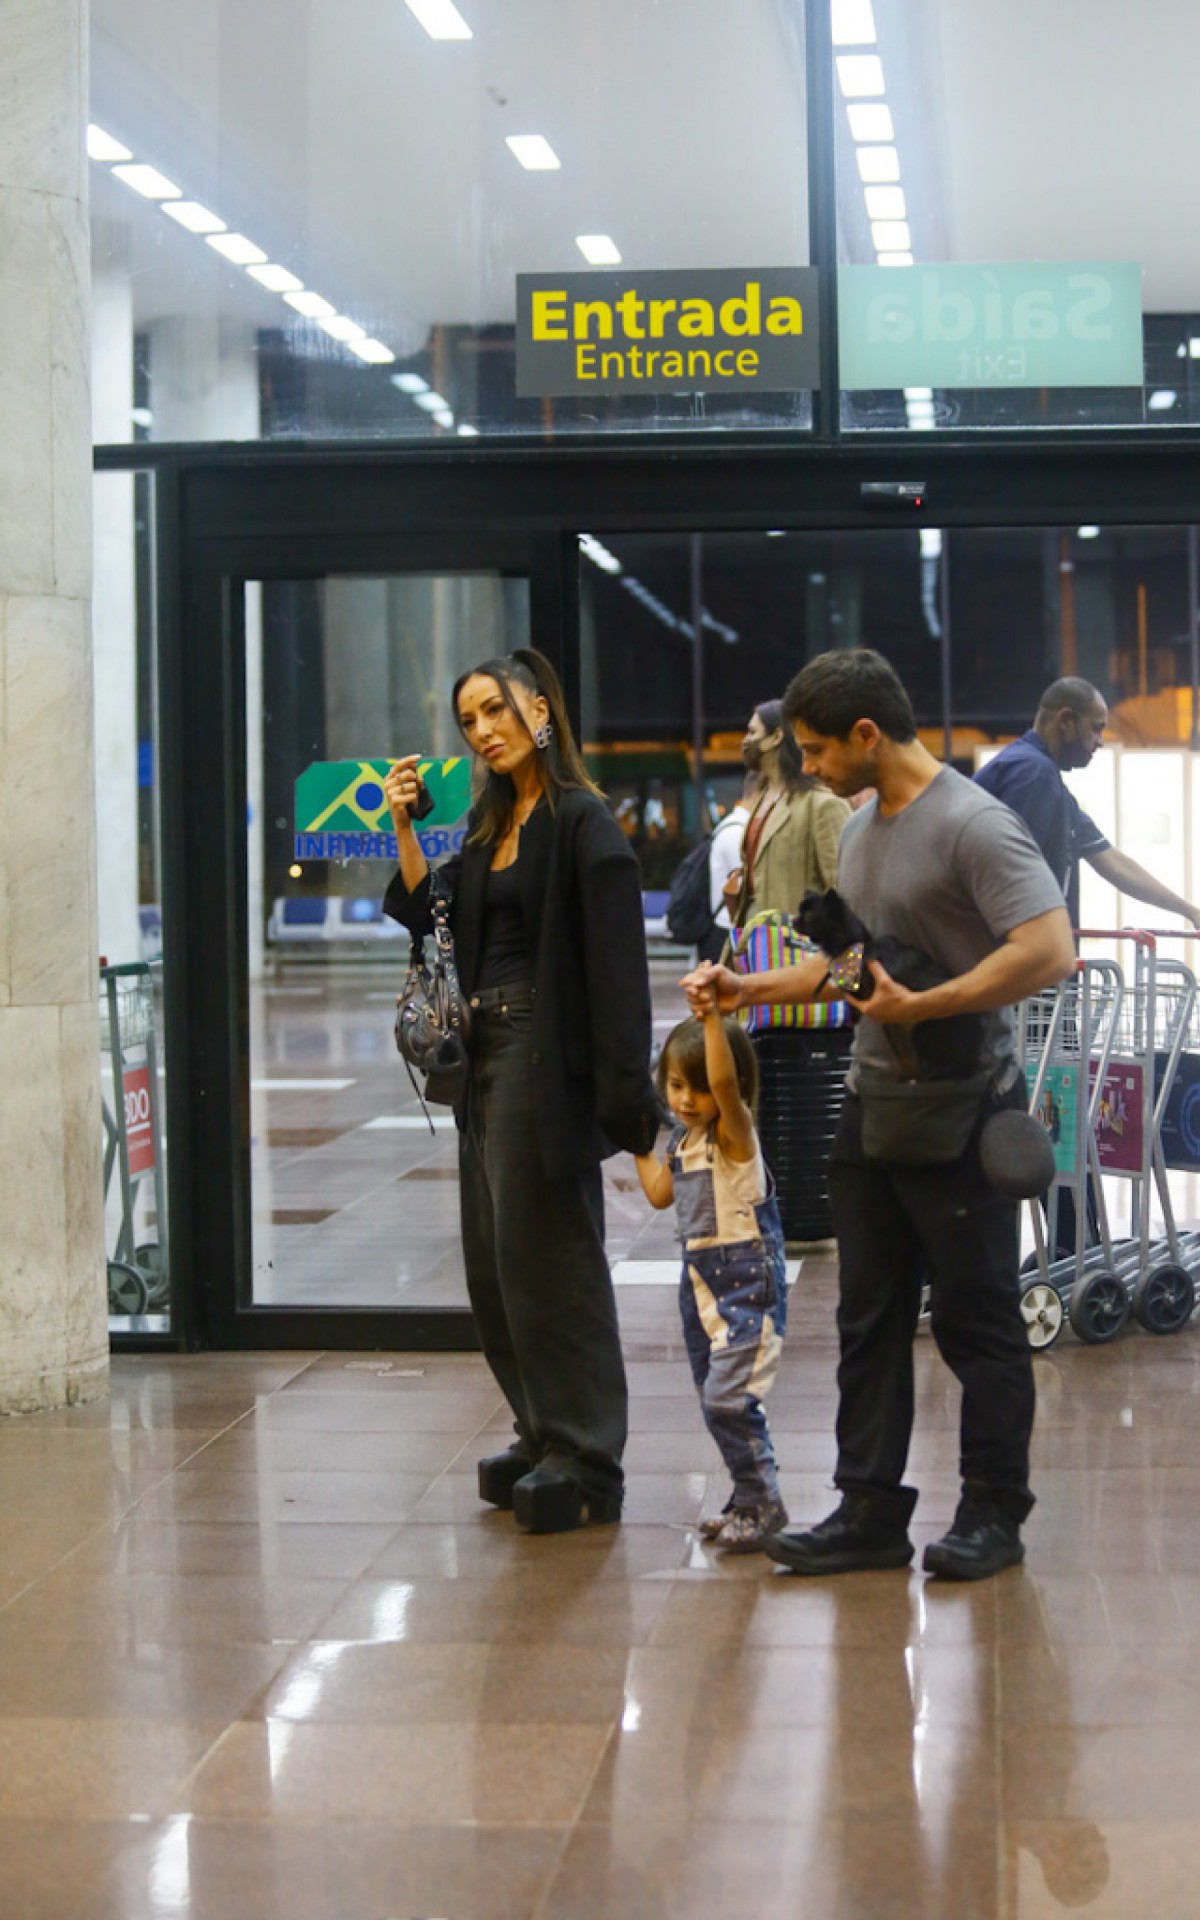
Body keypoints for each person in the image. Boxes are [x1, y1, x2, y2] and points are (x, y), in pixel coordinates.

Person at [684, 648, 1075, 1582]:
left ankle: (993, 1512)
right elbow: (850, 968)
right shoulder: (859, 829)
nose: (808, 766)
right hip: (873, 1110)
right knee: (868, 1319)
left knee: (977, 1323)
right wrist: (750, 987)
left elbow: (1050, 948)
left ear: (867, 734)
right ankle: (868, 1508)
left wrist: (924, 1009)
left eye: (816, 750)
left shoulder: (976, 825)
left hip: (964, 1109)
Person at [383, 648, 659, 1535]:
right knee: (497, 1263)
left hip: (544, 1057)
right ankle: (542, 1432)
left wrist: (630, 1111)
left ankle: (588, 1458)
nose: (482, 731)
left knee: (554, 1262)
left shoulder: (584, 825)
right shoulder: (485, 827)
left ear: (539, 711)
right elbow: (432, 918)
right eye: (468, 720)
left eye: (495, 711)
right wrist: (404, 827)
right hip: (482, 1057)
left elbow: (619, 980)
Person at [634, 1010, 788, 1552]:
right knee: (714, 1396)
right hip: (699, 1288)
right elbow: (657, 1192)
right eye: (676, 1085)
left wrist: (713, 1017)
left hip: (747, 1285)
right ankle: (747, 1497)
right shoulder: (683, 1142)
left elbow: (724, 1085)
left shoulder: (734, 1135)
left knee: (729, 1399)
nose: (686, 1099)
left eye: (700, 1089)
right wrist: (636, 1139)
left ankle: (764, 1503)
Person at [974, 676, 1200, 929]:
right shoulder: (1033, 773)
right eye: (1095, 728)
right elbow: (1011, 877)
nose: (1100, 741)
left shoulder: (1044, 778)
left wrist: (1189, 911)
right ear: (1066, 721)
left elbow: (1112, 863)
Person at [727, 699, 849, 927]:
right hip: (753, 948)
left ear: (776, 737)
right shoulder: (763, 799)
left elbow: (843, 893)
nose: (746, 741)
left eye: (753, 732)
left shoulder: (822, 805)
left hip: (796, 950)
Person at [696, 770, 761, 965]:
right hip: (727, 930)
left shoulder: (732, 826)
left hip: (726, 928)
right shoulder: (737, 832)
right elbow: (748, 885)